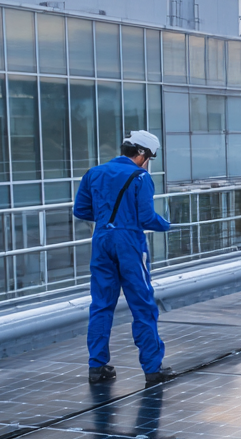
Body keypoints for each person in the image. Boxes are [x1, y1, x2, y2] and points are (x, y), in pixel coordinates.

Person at [73, 130, 175, 386]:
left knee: (101, 305)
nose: (148, 161)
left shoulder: (93, 173)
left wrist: (107, 218)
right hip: (128, 242)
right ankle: (153, 370)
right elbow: (147, 218)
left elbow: (80, 209)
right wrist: (167, 225)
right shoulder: (140, 176)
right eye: (149, 156)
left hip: (101, 241)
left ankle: (97, 368)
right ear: (141, 153)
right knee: (142, 305)